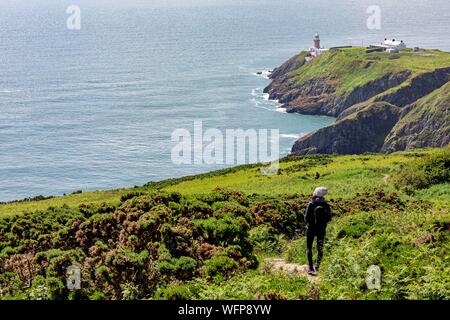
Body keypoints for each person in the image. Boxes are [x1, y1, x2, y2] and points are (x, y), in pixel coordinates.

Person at [304, 187, 332, 275]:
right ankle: (318, 266)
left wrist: (311, 223)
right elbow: (329, 218)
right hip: (321, 229)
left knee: (309, 248)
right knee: (320, 248)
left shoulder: (311, 204)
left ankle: (310, 268)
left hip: (311, 229)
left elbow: (306, 218)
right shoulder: (326, 205)